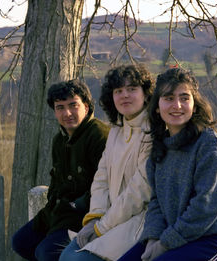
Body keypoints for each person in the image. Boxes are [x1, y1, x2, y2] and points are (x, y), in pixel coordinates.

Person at [118, 67, 217, 261]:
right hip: (174, 234)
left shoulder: (209, 145)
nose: (177, 105)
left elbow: (205, 208)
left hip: (213, 238)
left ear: (194, 105)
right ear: (157, 107)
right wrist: (152, 238)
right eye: (168, 98)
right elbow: (156, 202)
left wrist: (165, 243)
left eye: (184, 98)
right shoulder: (160, 146)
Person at [59, 64, 154, 261]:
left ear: (146, 94)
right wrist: (95, 216)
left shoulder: (153, 134)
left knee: (74, 259)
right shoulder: (116, 131)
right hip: (107, 219)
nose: (124, 95)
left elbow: (138, 193)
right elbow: (101, 179)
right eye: (118, 91)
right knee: (65, 254)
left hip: (138, 222)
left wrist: (101, 227)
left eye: (132, 89)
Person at [11, 79, 110, 261]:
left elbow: (104, 187)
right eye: (60, 107)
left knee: (46, 252)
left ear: (86, 107)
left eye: (73, 105)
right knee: (21, 242)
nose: (67, 113)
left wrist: (74, 206)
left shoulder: (99, 136)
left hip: (83, 216)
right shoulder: (60, 139)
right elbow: (57, 183)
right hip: (57, 212)